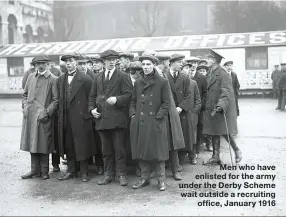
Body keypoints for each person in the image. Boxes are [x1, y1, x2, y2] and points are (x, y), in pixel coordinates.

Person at [89, 49, 132, 186]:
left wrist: (117, 99)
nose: (112, 62)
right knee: (105, 150)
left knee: (119, 149)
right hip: (101, 119)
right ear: (103, 62)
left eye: (114, 59)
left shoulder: (123, 76)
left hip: (118, 120)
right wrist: (92, 110)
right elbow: (92, 96)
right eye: (109, 60)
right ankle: (108, 174)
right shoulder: (97, 77)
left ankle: (121, 175)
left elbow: (129, 95)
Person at [130, 54, 170, 191]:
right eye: (144, 65)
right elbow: (133, 101)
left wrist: (158, 117)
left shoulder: (163, 82)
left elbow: (167, 103)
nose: (146, 67)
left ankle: (161, 180)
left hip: (155, 122)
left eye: (148, 64)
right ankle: (145, 178)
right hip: (141, 122)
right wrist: (133, 114)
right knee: (142, 151)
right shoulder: (138, 82)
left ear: (154, 65)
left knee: (159, 153)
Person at [57, 53, 96, 182]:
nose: (68, 63)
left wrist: (87, 114)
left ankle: (84, 172)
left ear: (76, 63)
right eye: (66, 62)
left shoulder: (85, 79)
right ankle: (71, 170)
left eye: (71, 61)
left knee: (82, 145)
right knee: (68, 144)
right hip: (66, 117)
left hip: (81, 118)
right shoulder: (61, 79)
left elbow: (92, 98)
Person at [20, 55, 59, 180]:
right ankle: (34, 170)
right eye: (37, 64)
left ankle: (45, 171)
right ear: (34, 65)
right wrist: (25, 107)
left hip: (43, 117)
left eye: (43, 63)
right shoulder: (31, 77)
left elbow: (56, 100)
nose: (40, 66)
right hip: (30, 116)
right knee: (32, 142)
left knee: (43, 143)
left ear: (48, 64)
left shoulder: (53, 79)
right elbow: (25, 94)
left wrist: (47, 113)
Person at [203, 49, 242, 165]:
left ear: (214, 60)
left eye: (209, 58)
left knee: (224, 131)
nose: (207, 60)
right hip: (212, 107)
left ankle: (237, 150)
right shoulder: (211, 71)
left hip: (219, 107)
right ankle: (215, 157)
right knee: (214, 131)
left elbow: (226, 92)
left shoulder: (223, 74)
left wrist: (220, 105)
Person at [194, 65, 211, 153]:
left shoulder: (203, 78)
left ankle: (197, 149)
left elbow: (206, 93)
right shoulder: (184, 76)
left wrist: (201, 105)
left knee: (200, 126)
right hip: (188, 107)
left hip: (200, 108)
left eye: (194, 63)